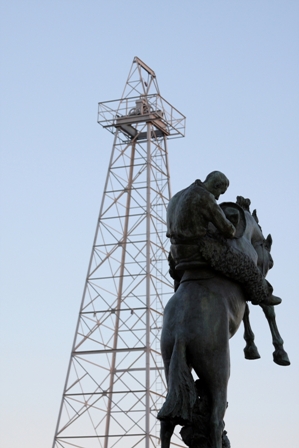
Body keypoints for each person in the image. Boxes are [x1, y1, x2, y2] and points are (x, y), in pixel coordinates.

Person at [166, 171, 281, 306]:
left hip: (175, 254)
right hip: (199, 248)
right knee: (247, 266)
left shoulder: (177, 197)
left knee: (178, 278)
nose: (218, 197)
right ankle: (263, 295)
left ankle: (179, 298)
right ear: (216, 185)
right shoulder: (205, 197)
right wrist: (233, 223)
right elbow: (227, 230)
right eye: (220, 192)